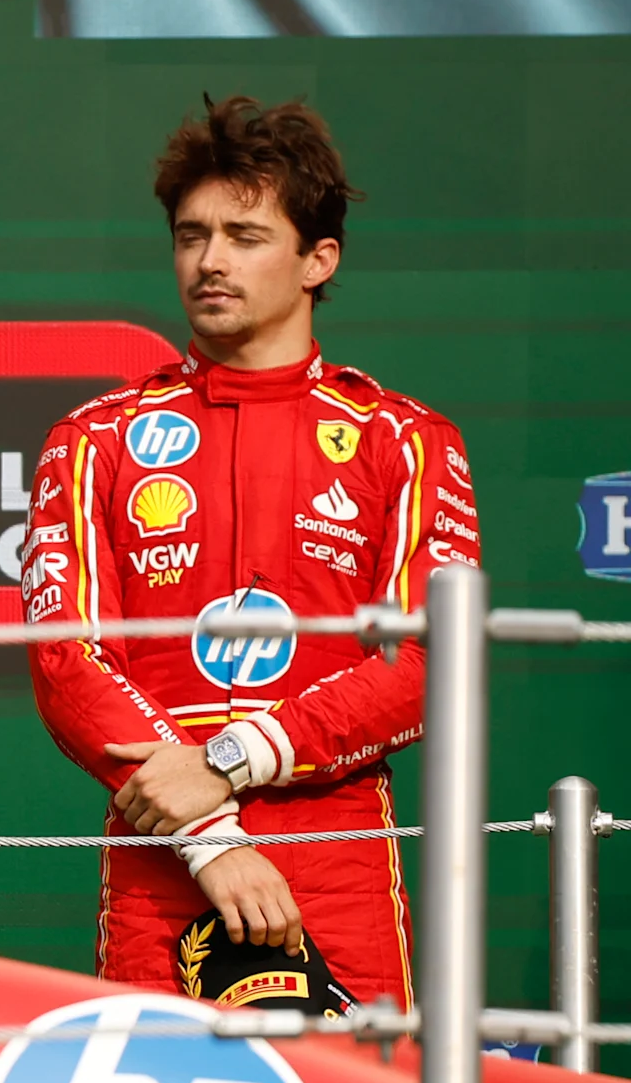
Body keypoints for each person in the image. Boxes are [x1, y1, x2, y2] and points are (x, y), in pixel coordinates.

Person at [27, 98, 477, 1010]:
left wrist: (228, 761)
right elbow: (65, 658)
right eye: (192, 236)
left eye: (245, 234)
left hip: (333, 849)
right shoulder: (93, 440)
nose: (211, 261)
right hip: (166, 850)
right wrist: (210, 835)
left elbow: (426, 663)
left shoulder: (407, 440)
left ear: (320, 260)